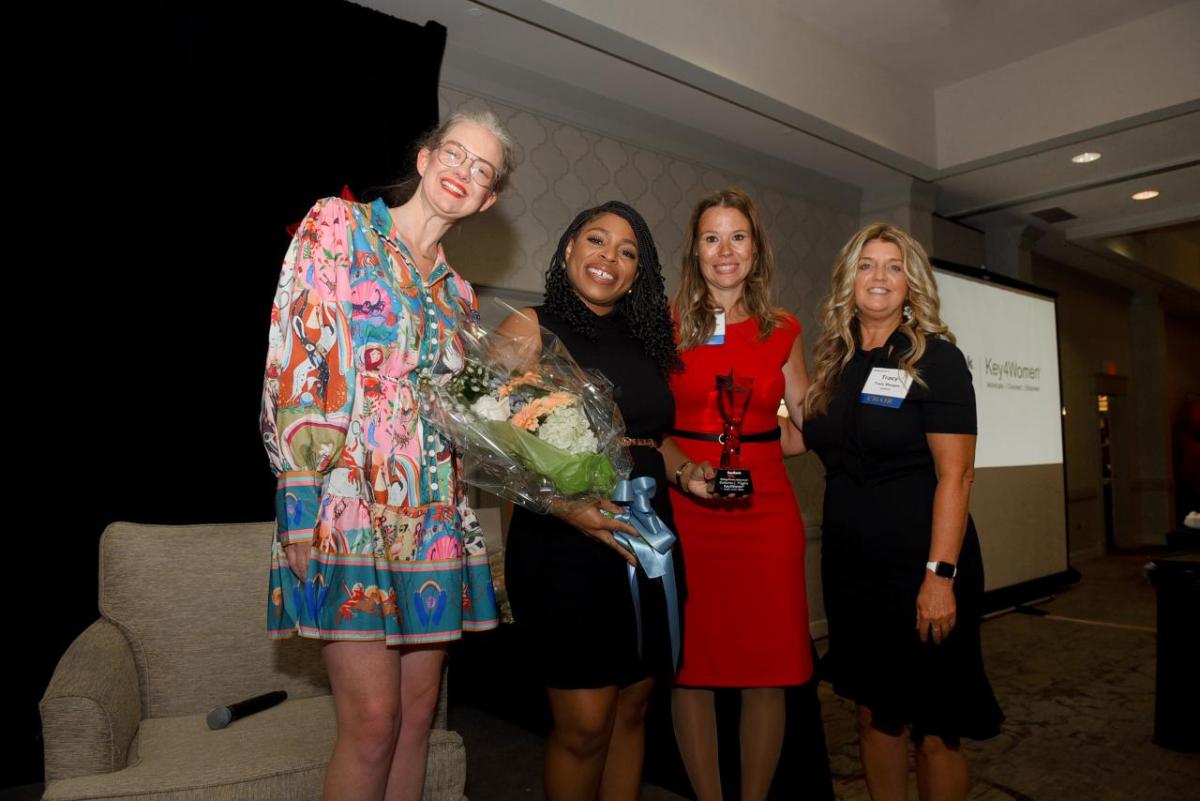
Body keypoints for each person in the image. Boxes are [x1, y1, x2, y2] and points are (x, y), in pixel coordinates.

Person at [260, 110, 512, 801]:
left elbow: (462, 414)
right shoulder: (338, 228)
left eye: (481, 169)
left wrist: (520, 412)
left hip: (433, 516)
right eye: (454, 154)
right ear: (426, 159)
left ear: (488, 199)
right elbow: (298, 357)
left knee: (415, 718)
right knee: (371, 721)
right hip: (349, 504)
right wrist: (301, 498)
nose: (463, 172)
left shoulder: (460, 296)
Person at [499, 200, 701, 801]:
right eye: (596, 240)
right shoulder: (528, 328)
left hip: (646, 535)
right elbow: (486, 441)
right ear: (568, 250)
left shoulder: (649, 344)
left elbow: (649, 442)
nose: (609, 257)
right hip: (562, 543)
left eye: (627, 251)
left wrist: (687, 471)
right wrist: (570, 510)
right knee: (584, 724)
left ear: (638, 272)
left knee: (634, 708)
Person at [802, 223, 1003, 801]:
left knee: (935, 730)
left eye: (894, 266)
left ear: (912, 284)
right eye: (867, 264)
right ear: (849, 279)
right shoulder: (835, 363)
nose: (880, 277)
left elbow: (956, 475)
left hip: (922, 567)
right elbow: (804, 437)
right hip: (852, 570)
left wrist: (940, 576)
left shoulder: (936, 360)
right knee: (873, 714)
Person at [666, 188, 813, 801]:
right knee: (690, 669)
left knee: (768, 668)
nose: (725, 251)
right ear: (695, 250)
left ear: (756, 249)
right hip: (687, 507)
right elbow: (648, 423)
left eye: (737, 237)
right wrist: (688, 461)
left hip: (766, 510)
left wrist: (748, 445)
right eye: (711, 238)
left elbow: (804, 432)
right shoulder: (663, 323)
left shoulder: (784, 329)